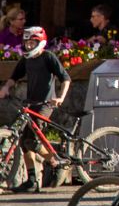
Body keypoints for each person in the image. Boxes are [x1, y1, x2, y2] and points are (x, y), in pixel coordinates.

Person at [4, 26, 70, 190]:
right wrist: (6, 87)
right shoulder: (26, 60)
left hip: (45, 105)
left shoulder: (48, 57)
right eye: (26, 43)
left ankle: (56, 162)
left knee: (32, 141)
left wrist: (60, 97)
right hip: (30, 103)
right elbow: (14, 77)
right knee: (24, 143)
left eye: (32, 42)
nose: (29, 46)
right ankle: (32, 179)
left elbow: (65, 78)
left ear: (40, 42)